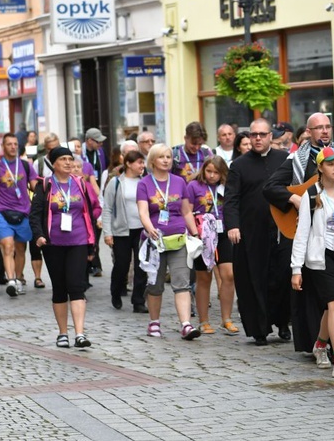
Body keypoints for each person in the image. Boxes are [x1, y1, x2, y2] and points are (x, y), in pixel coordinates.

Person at [264, 112, 334, 352]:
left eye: (328, 127)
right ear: (309, 132)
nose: (324, 131)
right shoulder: (297, 159)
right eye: (319, 128)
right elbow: (270, 187)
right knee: (312, 296)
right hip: (311, 237)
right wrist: (295, 199)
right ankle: (316, 344)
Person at [292, 147, 334, 379]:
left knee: (332, 306)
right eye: (331, 164)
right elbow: (301, 233)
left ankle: (320, 345)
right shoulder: (311, 195)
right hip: (321, 257)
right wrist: (296, 268)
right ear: (320, 167)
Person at [226, 119, 291, 346]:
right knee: (254, 280)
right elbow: (231, 198)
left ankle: (283, 322)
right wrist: (233, 225)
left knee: (283, 276)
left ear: (271, 137)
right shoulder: (239, 165)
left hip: (282, 229)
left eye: (263, 134)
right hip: (252, 233)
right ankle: (259, 330)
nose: (258, 139)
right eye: (254, 135)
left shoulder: (284, 160)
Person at [30, 146, 101, 349]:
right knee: (60, 288)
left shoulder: (80, 184)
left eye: (70, 159)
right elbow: (35, 215)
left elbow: (89, 213)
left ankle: (79, 333)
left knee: (76, 285)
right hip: (53, 244)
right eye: (63, 159)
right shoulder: (44, 186)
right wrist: (39, 235)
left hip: (78, 241)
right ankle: (63, 333)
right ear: (54, 163)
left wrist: (91, 244)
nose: (69, 163)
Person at [137, 143, 201, 340]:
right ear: (153, 161)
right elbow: (143, 211)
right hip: (155, 241)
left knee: (182, 283)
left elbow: (186, 210)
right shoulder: (144, 184)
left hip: (178, 239)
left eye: (168, 157)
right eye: (161, 157)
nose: (166, 160)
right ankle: (154, 322)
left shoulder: (179, 182)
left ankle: (186, 325)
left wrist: (195, 232)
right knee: (155, 285)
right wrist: (150, 229)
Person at [187, 156, 239, 336]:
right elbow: (186, 210)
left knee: (229, 275)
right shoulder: (194, 186)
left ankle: (226, 318)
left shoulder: (227, 187)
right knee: (204, 278)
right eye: (209, 171)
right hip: (203, 235)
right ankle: (204, 320)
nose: (212, 175)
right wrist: (194, 233)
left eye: (216, 172)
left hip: (223, 233)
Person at [102, 150, 149, 313]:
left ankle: (138, 300)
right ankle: (115, 292)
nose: (142, 165)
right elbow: (107, 208)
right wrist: (107, 232)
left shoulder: (145, 182)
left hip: (142, 230)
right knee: (121, 265)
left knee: (142, 265)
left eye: (143, 162)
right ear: (129, 164)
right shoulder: (115, 182)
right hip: (121, 230)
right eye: (139, 162)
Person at [0, 133, 38, 297]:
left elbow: (35, 185)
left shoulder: (26, 165)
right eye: (9, 144)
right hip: (2, 211)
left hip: (23, 212)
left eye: (15, 144)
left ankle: (19, 277)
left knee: (21, 249)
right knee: (8, 245)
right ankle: (11, 280)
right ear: (3, 147)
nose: (13, 147)